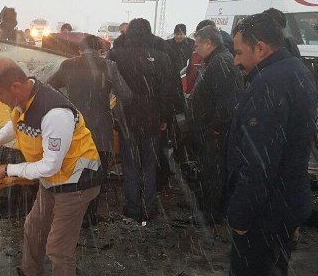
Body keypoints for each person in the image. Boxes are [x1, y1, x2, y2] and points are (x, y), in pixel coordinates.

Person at [193, 13, 318, 276]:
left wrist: (240, 215)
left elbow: (259, 164)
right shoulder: (297, 71)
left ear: (260, 48)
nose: (235, 59)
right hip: (288, 206)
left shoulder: (269, 85)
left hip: (264, 211)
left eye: (240, 51)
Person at [0, 58, 102, 276]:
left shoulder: (54, 113)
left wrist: (7, 170)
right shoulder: (23, 99)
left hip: (76, 181)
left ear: (15, 86)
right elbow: (17, 124)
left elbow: (50, 165)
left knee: (58, 247)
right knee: (33, 228)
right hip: (54, 179)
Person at [48, 34, 129, 225]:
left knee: (72, 170)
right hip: (101, 127)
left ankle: (71, 214)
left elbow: (48, 86)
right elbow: (126, 94)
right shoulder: (108, 66)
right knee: (95, 174)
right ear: (100, 49)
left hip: (73, 126)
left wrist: (64, 104)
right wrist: (113, 108)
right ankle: (89, 216)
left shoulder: (67, 66)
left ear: (79, 49)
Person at [109, 18, 171, 222]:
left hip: (127, 119)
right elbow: (165, 92)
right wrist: (164, 117)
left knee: (130, 164)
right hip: (153, 119)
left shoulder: (117, 55)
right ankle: (148, 207)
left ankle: (132, 207)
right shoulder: (161, 57)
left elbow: (109, 87)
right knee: (149, 165)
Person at [185, 25, 242, 224]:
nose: (195, 48)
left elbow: (227, 103)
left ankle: (212, 214)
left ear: (209, 43)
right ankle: (207, 209)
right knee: (208, 172)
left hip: (215, 134)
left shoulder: (222, 63)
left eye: (197, 43)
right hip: (209, 131)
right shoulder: (216, 61)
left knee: (214, 174)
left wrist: (214, 130)